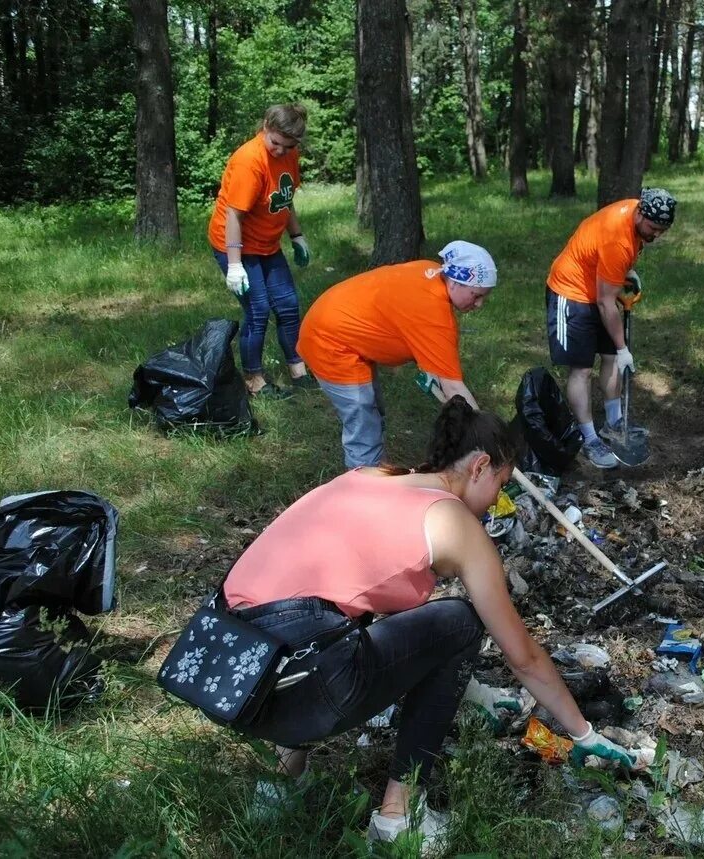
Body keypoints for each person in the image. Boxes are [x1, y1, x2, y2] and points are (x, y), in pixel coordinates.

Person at [223, 398, 643, 851]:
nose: (498, 502)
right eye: (501, 485)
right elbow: (523, 657)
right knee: (460, 621)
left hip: (231, 675)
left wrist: (472, 690)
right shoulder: (453, 522)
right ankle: (397, 819)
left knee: (332, 609)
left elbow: (347, 600)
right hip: (300, 689)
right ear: (480, 466)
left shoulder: (366, 478)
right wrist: (583, 733)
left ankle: (279, 785)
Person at [297, 241, 496, 468]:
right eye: (476, 295)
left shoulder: (431, 271)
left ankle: (376, 469)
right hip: (328, 341)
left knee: (372, 411)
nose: (479, 304)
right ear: (455, 281)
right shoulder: (433, 314)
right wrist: (484, 434)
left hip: (337, 324)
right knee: (363, 417)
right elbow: (454, 389)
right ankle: (363, 486)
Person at [546, 187, 677, 469]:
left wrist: (621, 274)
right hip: (571, 293)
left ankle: (614, 422)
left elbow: (606, 276)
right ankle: (590, 436)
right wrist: (622, 348)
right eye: (653, 228)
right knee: (582, 368)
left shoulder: (636, 213)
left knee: (610, 360)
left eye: (662, 230)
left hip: (597, 283)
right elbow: (607, 304)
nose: (656, 235)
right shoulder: (618, 239)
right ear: (640, 213)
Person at [208, 103, 319, 398]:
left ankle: (298, 369)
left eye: (289, 146)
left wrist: (296, 236)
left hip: (267, 244)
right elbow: (234, 216)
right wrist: (234, 265)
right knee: (258, 309)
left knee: (288, 304)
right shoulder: (249, 161)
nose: (281, 152)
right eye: (276, 144)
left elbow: (285, 198)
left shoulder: (289, 154)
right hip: (236, 243)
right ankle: (253, 380)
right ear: (265, 127)